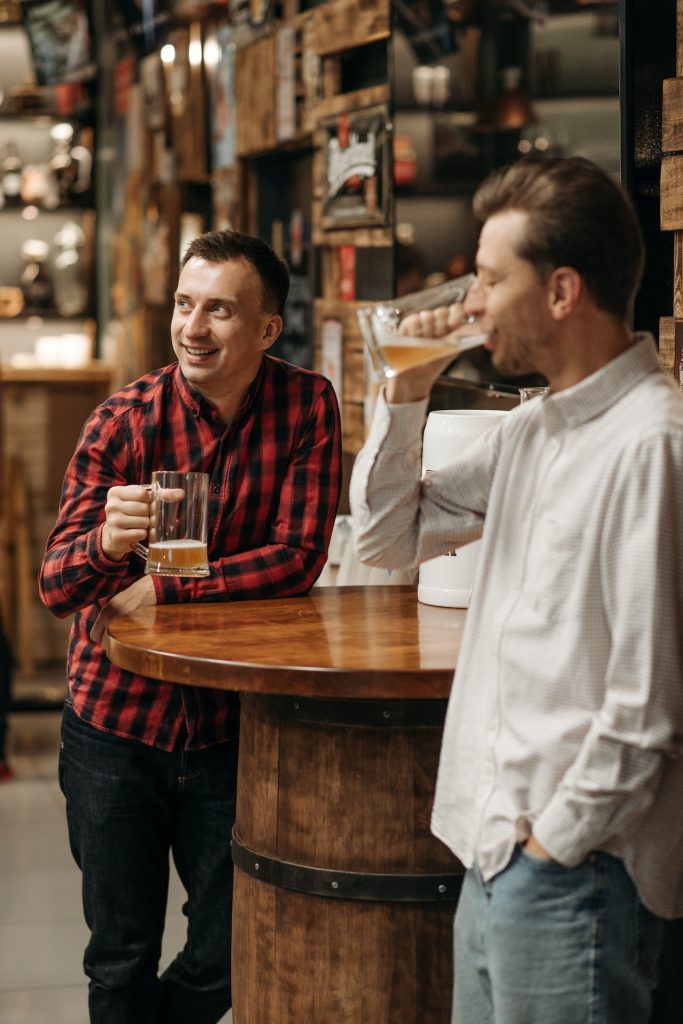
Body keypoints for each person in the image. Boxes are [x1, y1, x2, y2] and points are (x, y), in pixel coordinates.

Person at [349, 156, 683, 1024]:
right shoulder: (532, 427)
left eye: (491, 279)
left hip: (574, 874)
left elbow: (648, 709)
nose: (468, 305)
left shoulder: (650, 446)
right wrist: (404, 394)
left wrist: (551, 847)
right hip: (492, 853)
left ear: (562, 290)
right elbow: (387, 538)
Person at [39, 229, 342, 1024]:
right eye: (184, 304)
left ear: (267, 330)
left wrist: (167, 589)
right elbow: (55, 584)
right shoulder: (122, 421)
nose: (192, 327)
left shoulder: (307, 403)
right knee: (119, 959)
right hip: (115, 727)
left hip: (228, 726)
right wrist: (108, 546)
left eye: (219, 310)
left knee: (230, 951)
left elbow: (297, 557)